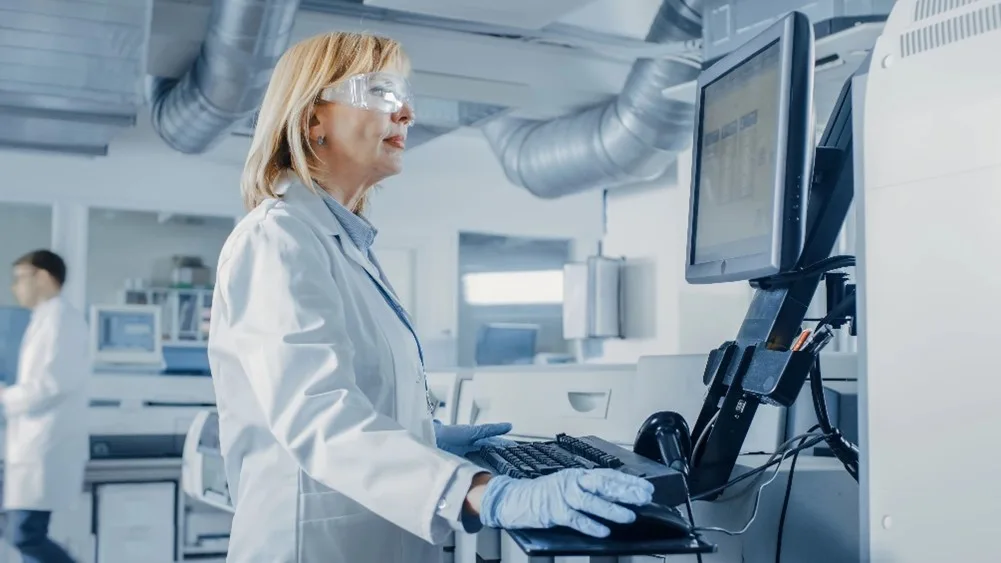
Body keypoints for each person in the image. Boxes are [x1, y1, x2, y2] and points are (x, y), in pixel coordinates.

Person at [207, 32, 654, 563]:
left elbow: (356, 395)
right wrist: (487, 492)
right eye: (380, 92)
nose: (407, 113)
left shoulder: (341, 243)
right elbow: (319, 416)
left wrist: (425, 436)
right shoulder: (276, 239)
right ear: (312, 121)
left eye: (403, 96)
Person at [3, 250, 90, 563]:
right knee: (20, 531)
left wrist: (4, 398)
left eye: (19, 279)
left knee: (24, 535)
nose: (15, 288)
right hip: (33, 447)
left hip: (45, 447)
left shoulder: (60, 320)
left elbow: (48, 387)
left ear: (42, 276)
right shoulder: (45, 318)